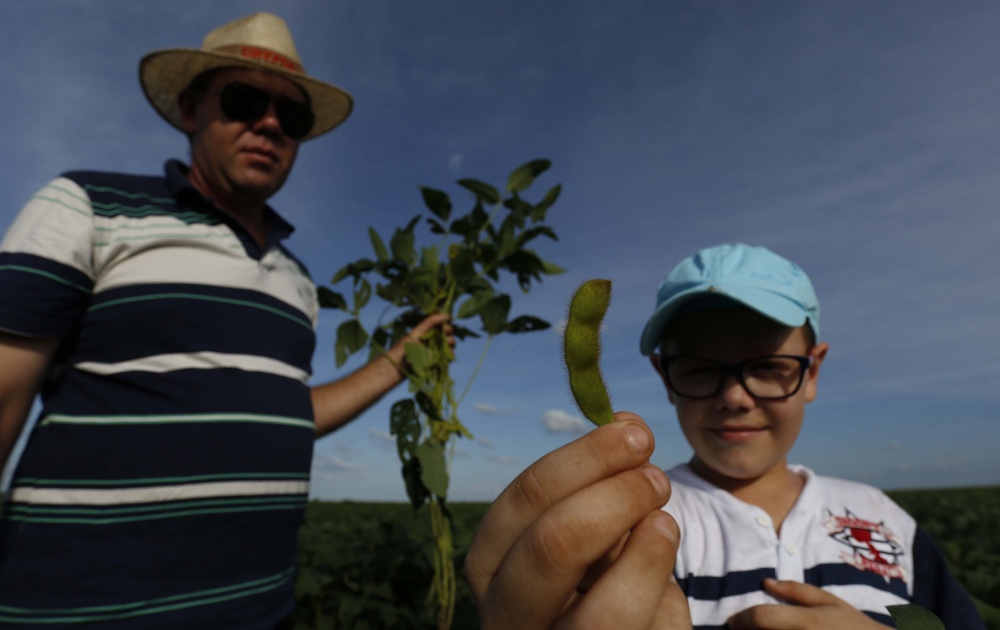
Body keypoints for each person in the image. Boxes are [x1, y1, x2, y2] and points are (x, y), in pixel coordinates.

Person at [0, 12, 448, 629]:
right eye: (243, 101)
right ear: (190, 109)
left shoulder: (297, 281)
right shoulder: (89, 206)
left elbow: (284, 415)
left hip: (261, 612)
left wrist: (399, 361)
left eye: (291, 117)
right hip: (80, 612)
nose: (269, 124)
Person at [466, 243, 984, 629]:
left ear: (813, 371)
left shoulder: (885, 517)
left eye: (770, 366)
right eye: (697, 368)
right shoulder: (634, 524)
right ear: (663, 376)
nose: (735, 397)